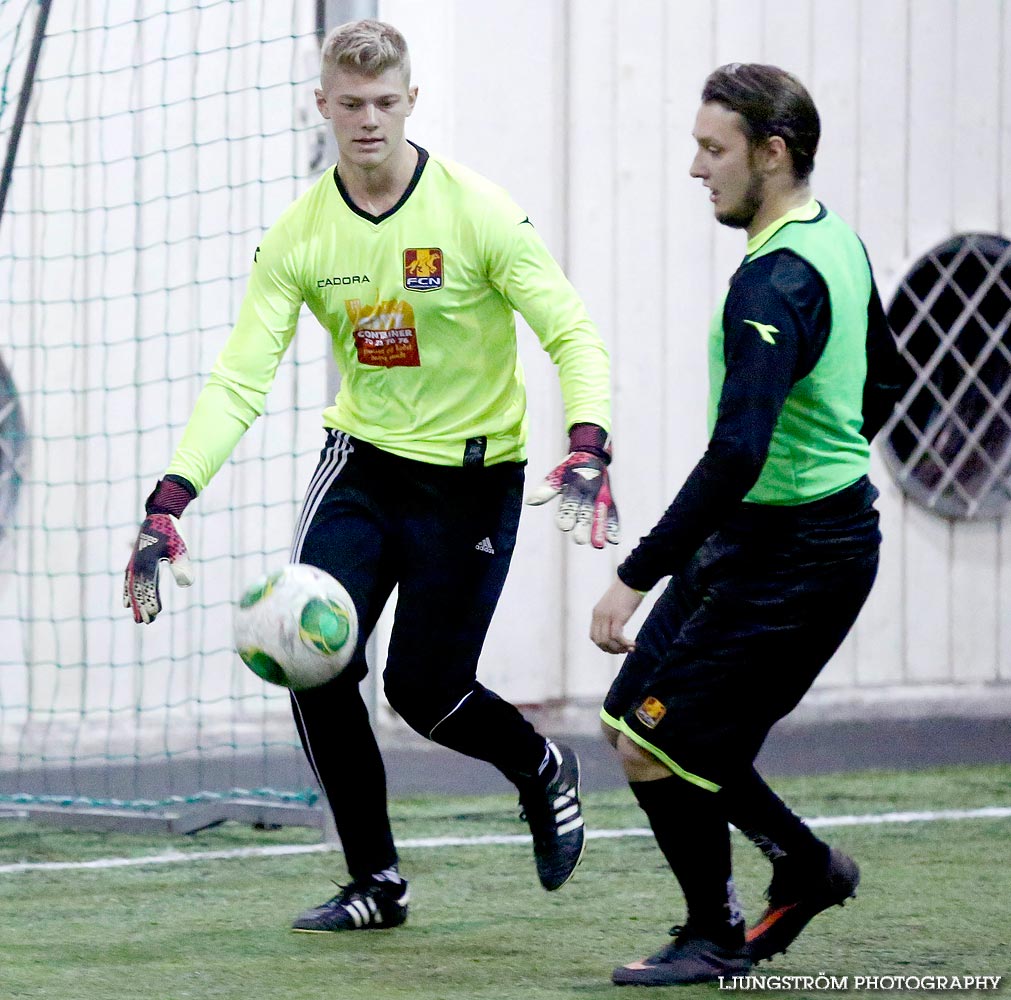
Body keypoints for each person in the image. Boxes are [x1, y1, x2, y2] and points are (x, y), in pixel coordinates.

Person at [123, 19, 619, 933]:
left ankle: (540, 767)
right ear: (323, 105)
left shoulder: (476, 212)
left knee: (425, 694)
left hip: (474, 477)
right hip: (361, 468)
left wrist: (589, 439)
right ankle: (375, 882)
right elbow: (241, 376)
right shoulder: (301, 236)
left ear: (410, 103)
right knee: (310, 661)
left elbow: (571, 331)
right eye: (349, 104)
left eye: (384, 103)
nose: (367, 121)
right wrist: (171, 496)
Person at [590, 63, 905, 987]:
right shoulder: (833, 240)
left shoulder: (771, 284)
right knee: (633, 725)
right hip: (770, 535)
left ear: (771, 154)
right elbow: (884, 379)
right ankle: (803, 866)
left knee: (660, 747)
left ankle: (714, 933)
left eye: (712, 148)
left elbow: (735, 454)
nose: (695, 168)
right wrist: (828, 462)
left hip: (800, 556)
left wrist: (634, 574)